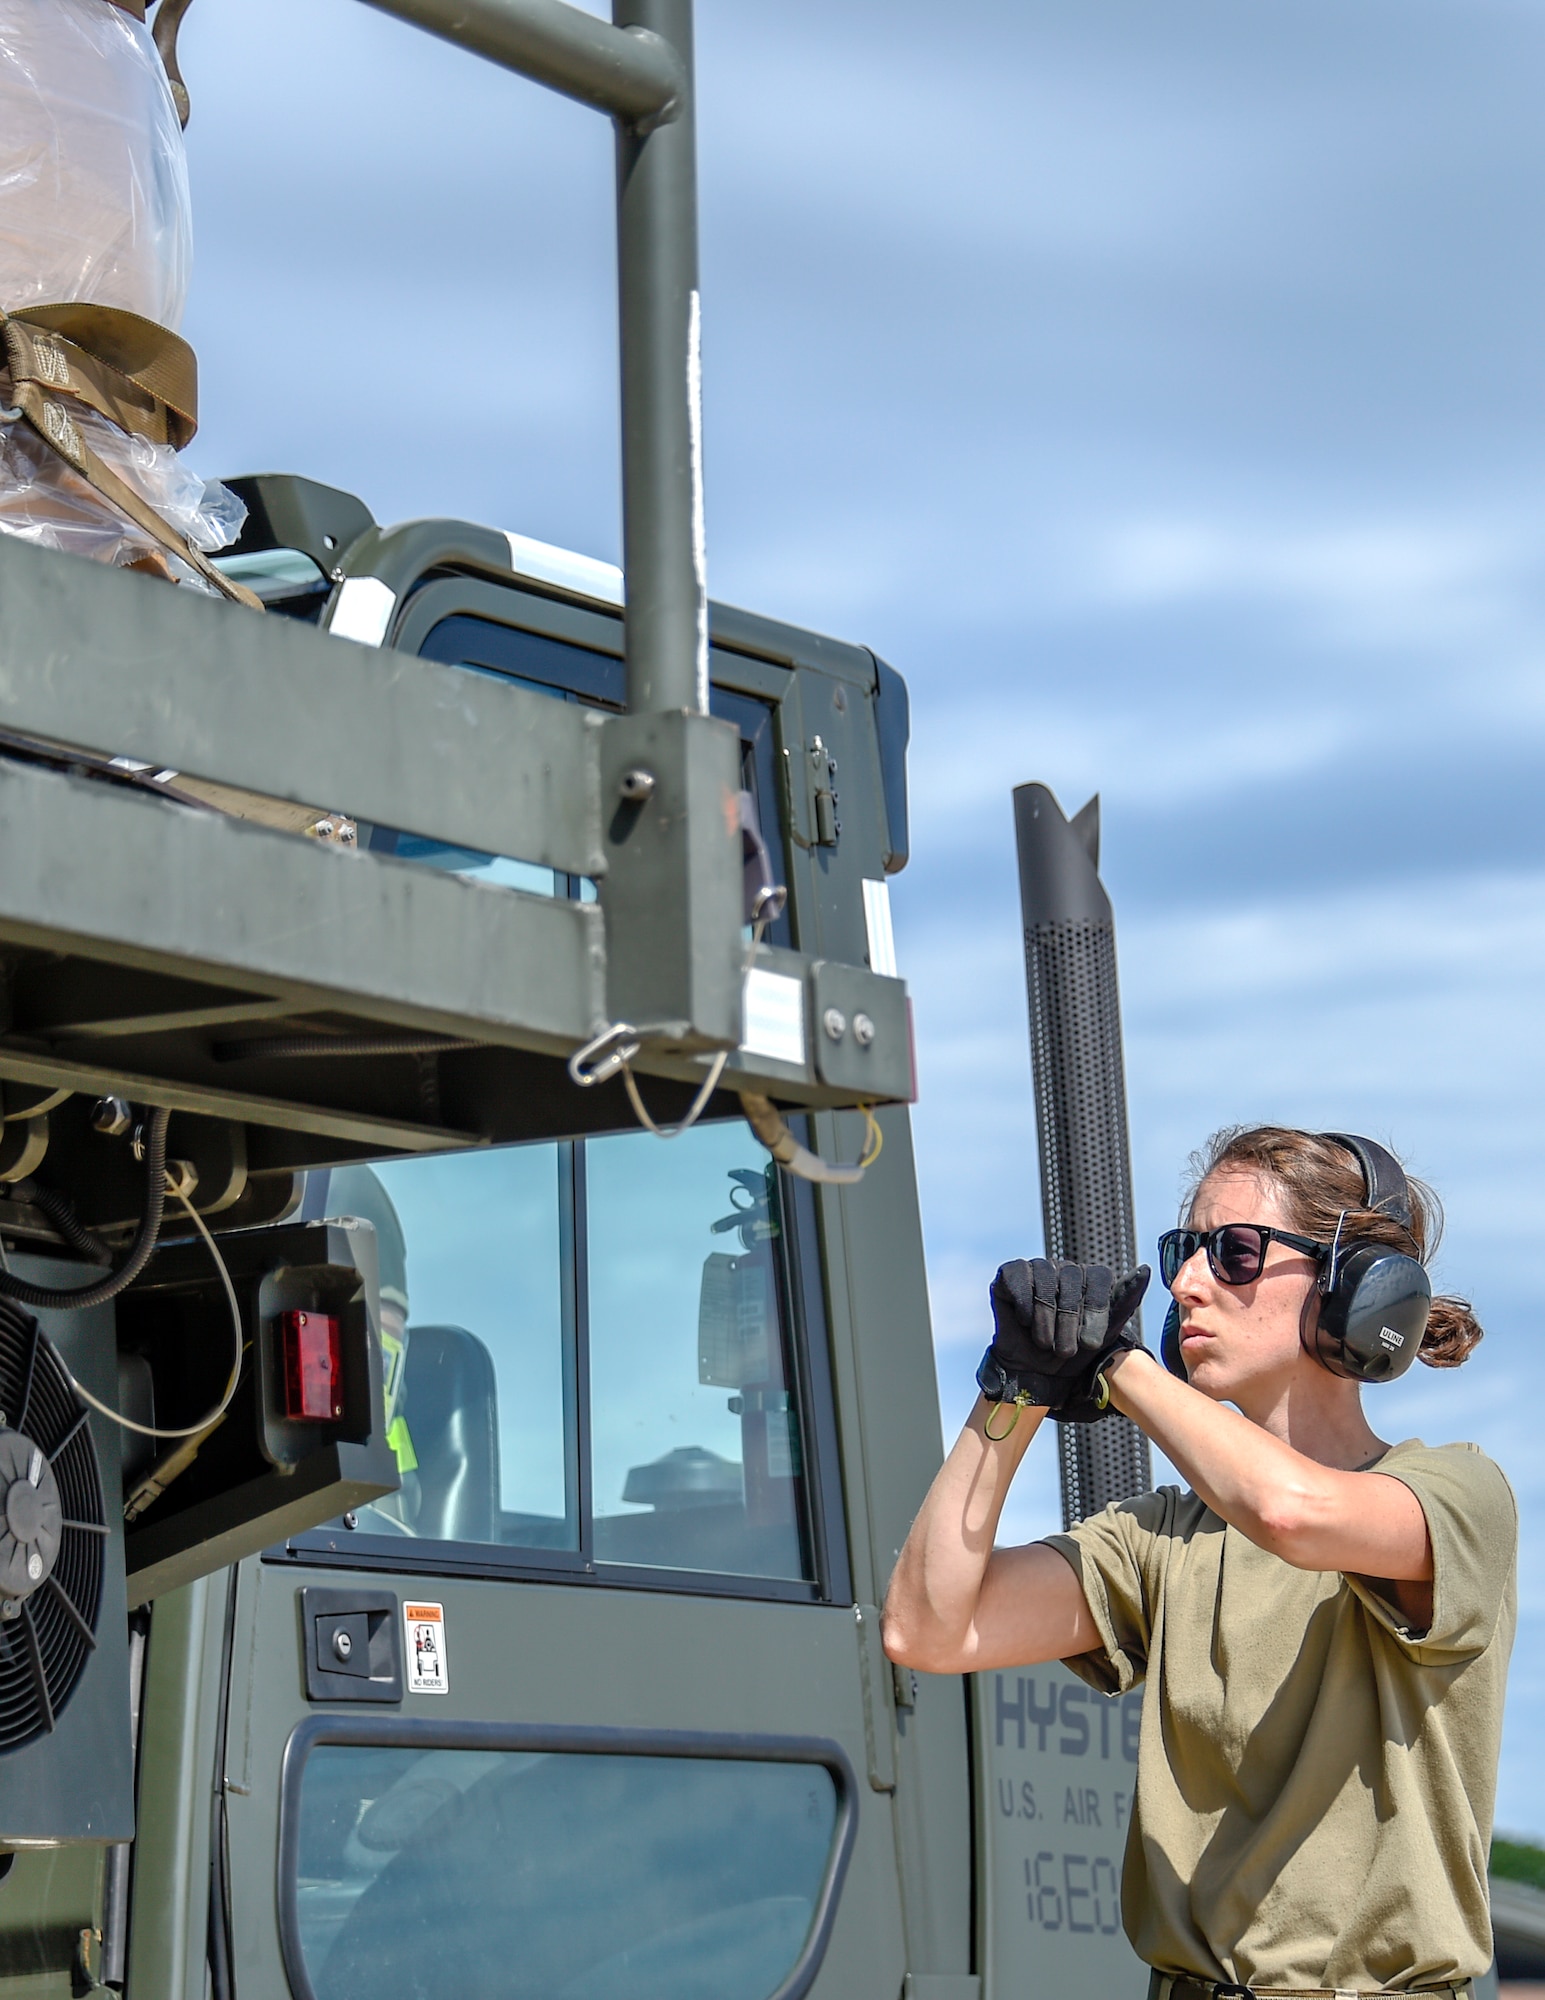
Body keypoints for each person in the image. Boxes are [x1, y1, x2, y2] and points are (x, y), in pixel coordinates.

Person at [883, 1126, 1517, 1999]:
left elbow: (1291, 1513)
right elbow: (926, 1626)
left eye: (1234, 1253)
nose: (1185, 1284)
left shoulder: (1456, 1494)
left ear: (1352, 1288)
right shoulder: (1164, 1537)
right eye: (1186, 1250)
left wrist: (1117, 1365)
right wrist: (1012, 1389)